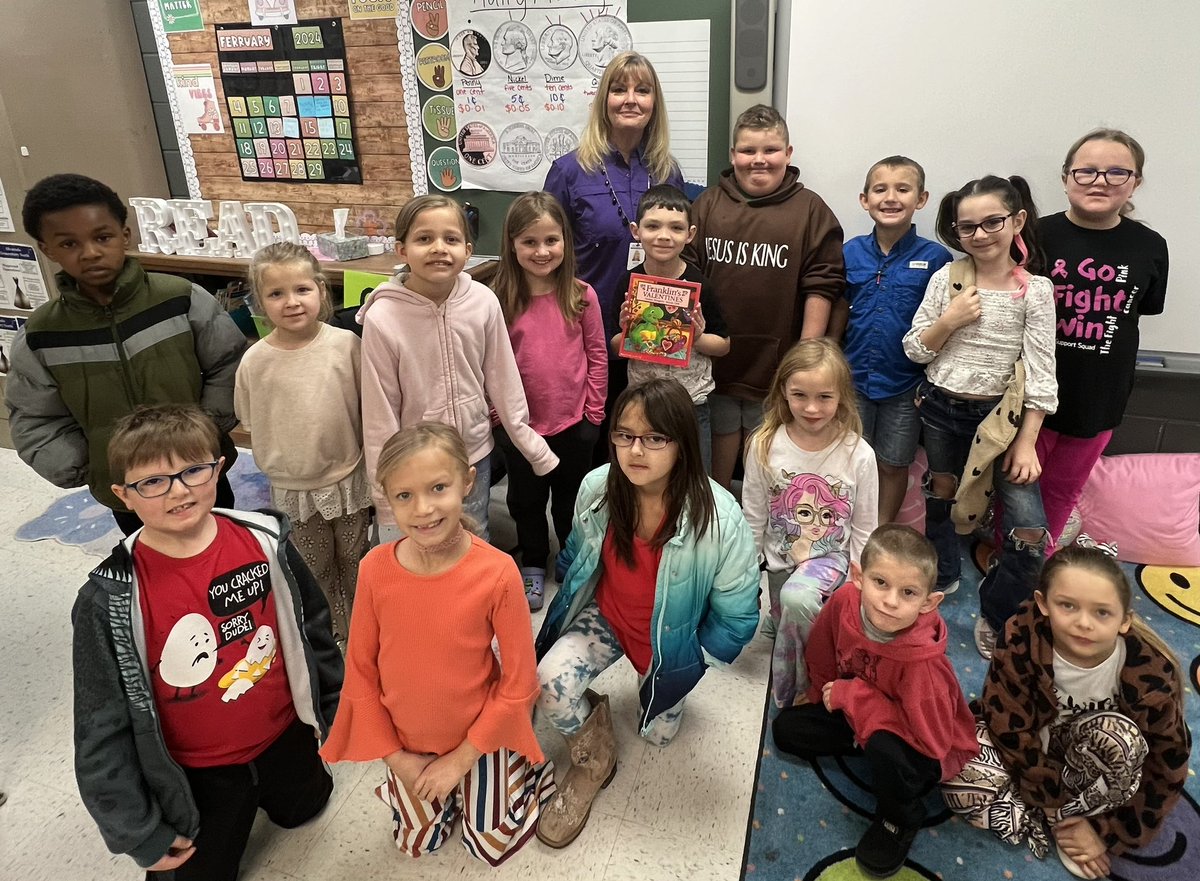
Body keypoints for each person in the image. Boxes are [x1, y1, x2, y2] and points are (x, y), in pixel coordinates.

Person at [72, 404, 342, 881]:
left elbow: (311, 626)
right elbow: (99, 726)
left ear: (219, 467)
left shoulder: (265, 540)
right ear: (122, 496)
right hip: (196, 775)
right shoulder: (109, 598)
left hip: (286, 737)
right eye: (152, 482)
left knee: (306, 807)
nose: (178, 490)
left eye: (193, 470)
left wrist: (334, 708)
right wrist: (137, 832)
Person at [534, 377, 760, 848]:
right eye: (625, 434)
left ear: (682, 443)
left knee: (658, 736)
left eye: (655, 438)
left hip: (669, 643)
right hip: (607, 620)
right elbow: (577, 551)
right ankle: (595, 758)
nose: (637, 450)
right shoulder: (598, 487)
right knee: (548, 684)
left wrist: (693, 659)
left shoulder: (719, 517)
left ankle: (656, 687)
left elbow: (738, 613)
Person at [320, 423, 554, 865]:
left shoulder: (499, 572)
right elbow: (361, 674)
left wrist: (461, 761)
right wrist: (398, 760)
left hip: (477, 737)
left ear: (467, 481)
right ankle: (440, 789)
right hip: (408, 743)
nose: (424, 509)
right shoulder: (374, 569)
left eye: (438, 487)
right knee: (416, 844)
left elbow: (520, 683)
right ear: (386, 496)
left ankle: (522, 769)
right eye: (404, 495)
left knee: (488, 846)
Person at [5, 173, 245, 534]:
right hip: (128, 491)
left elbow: (228, 365)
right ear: (47, 249)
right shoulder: (41, 336)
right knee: (153, 568)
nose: (90, 252)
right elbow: (35, 418)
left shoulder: (182, 299)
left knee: (224, 550)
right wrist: (92, 465)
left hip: (201, 472)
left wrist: (206, 431)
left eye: (102, 237)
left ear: (125, 235)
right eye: (69, 244)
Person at [943, 546, 1189, 880]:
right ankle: (1059, 820)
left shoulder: (1152, 674)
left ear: (1124, 621)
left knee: (1123, 739)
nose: (1083, 623)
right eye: (1067, 605)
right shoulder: (1020, 637)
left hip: (1094, 767)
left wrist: (1107, 831)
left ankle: (1067, 822)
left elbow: (1167, 763)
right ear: (1043, 603)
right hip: (1030, 758)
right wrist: (1055, 807)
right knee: (954, 766)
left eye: (1102, 613)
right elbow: (1008, 727)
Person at [902, 175, 1057, 658]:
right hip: (943, 408)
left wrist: (1028, 440)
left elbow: (1041, 372)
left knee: (1027, 527)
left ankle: (1000, 611)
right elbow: (914, 349)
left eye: (993, 222)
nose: (981, 234)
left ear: (1017, 222)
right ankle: (944, 573)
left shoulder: (1035, 290)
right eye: (967, 226)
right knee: (941, 492)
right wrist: (949, 319)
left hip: (1003, 422)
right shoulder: (946, 279)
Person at [773, 525, 978, 880]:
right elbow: (822, 650)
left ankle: (899, 817)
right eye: (880, 582)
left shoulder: (923, 667)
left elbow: (930, 742)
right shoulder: (844, 601)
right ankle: (862, 739)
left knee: (885, 748)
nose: (890, 600)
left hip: (916, 743)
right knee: (787, 730)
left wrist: (853, 698)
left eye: (908, 592)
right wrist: (825, 692)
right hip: (860, 710)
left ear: (929, 602)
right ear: (857, 577)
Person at [358, 194, 558, 543]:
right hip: (414, 462)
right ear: (402, 250)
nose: (439, 248)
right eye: (424, 239)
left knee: (473, 533)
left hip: (472, 454)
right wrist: (385, 492)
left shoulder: (482, 302)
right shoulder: (382, 318)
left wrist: (530, 443)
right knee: (421, 539)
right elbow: (379, 412)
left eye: (450, 239)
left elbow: (502, 377)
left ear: (467, 250)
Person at [684, 104, 845, 490]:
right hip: (716, 355)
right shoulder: (708, 204)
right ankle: (721, 512)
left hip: (778, 359)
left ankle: (765, 523)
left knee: (767, 445)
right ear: (732, 155)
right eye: (748, 151)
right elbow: (686, 275)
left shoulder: (811, 210)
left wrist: (806, 354)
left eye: (770, 150)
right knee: (721, 437)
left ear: (788, 154)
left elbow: (822, 284)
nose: (759, 160)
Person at [545, 51, 685, 460]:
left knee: (645, 438)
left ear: (654, 103)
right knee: (593, 438)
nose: (630, 99)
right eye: (619, 89)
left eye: (642, 90)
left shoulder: (665, 171)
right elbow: (545, 251)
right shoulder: (570, 171)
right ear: (603, 100)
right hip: (587, 327)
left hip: (651, 329)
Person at [1037, 131, 1169, 548]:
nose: (1100, 181)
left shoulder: (1149, 247)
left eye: (1117, 172)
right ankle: (1010, 557)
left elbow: (1143, 307)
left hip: (1099, 398)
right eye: (1087, 170)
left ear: (1136, 182)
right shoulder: (1034, 237)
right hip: (1031, 395)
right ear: (1065, 177)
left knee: (1061, 490)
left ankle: (1040, 557)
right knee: (1014, 488)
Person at [235, 242, 370, 648]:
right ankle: (330, 633)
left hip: (348, 477)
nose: (291, 302)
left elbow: (368, 407)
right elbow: (249, 418)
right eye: (276, 294)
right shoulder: (255, 361)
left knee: (357, 561)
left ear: (321, 292)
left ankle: (364, 628)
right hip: (293, 487)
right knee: (314, 567)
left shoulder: (346, 345)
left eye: (302, 290)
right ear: (260, 302)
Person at [742, 339, 878, 707]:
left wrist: (858, 582)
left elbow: (865, 525)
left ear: (842, 397)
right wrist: (746, 569)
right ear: (783, 392)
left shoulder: (858, 454)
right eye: (800, 395)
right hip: (779, 559)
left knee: (797, 598)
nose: (812, 408)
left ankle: (804, 690)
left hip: (830, 559)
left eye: (825, 397)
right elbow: (754, 511)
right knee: (784, 611)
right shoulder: (764, 444)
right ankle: (791, 618)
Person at [490, 191, 608, 610]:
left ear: (565, 242)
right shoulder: (498, 299)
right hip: (519, 428)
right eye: (529, 242)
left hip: (574, 424)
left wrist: (593, 415)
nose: (541, 251)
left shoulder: (582, 295)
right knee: (525, 500)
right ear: (512, 244)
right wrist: (499, 420)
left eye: (551, 241)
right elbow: (488, 363)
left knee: (571, 500)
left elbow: (597, 355)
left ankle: (571, 559)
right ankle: (533, 563)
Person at [842, 156, 952, 523]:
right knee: (849, 460)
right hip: (853, 380)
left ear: (921, 199)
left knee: (892, 463)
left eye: (902, 189)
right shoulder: (849, 251)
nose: (891, 198)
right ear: (864, 199)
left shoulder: (937, 258)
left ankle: (881, 532)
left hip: (906, 386)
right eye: (880, 189)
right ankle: (845, 527)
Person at [611, 184, 730, 474]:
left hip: (691, 403)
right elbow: (614, 346)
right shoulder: (628, 283)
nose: (664, 236)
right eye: (653, 226)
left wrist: (697, 338)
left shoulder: (701, 284)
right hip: (642, 402)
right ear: (636, 231)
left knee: (694, 476)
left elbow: (724, 345)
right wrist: (627, 330)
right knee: (643, 473)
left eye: (676, 228)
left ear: (690, 235)